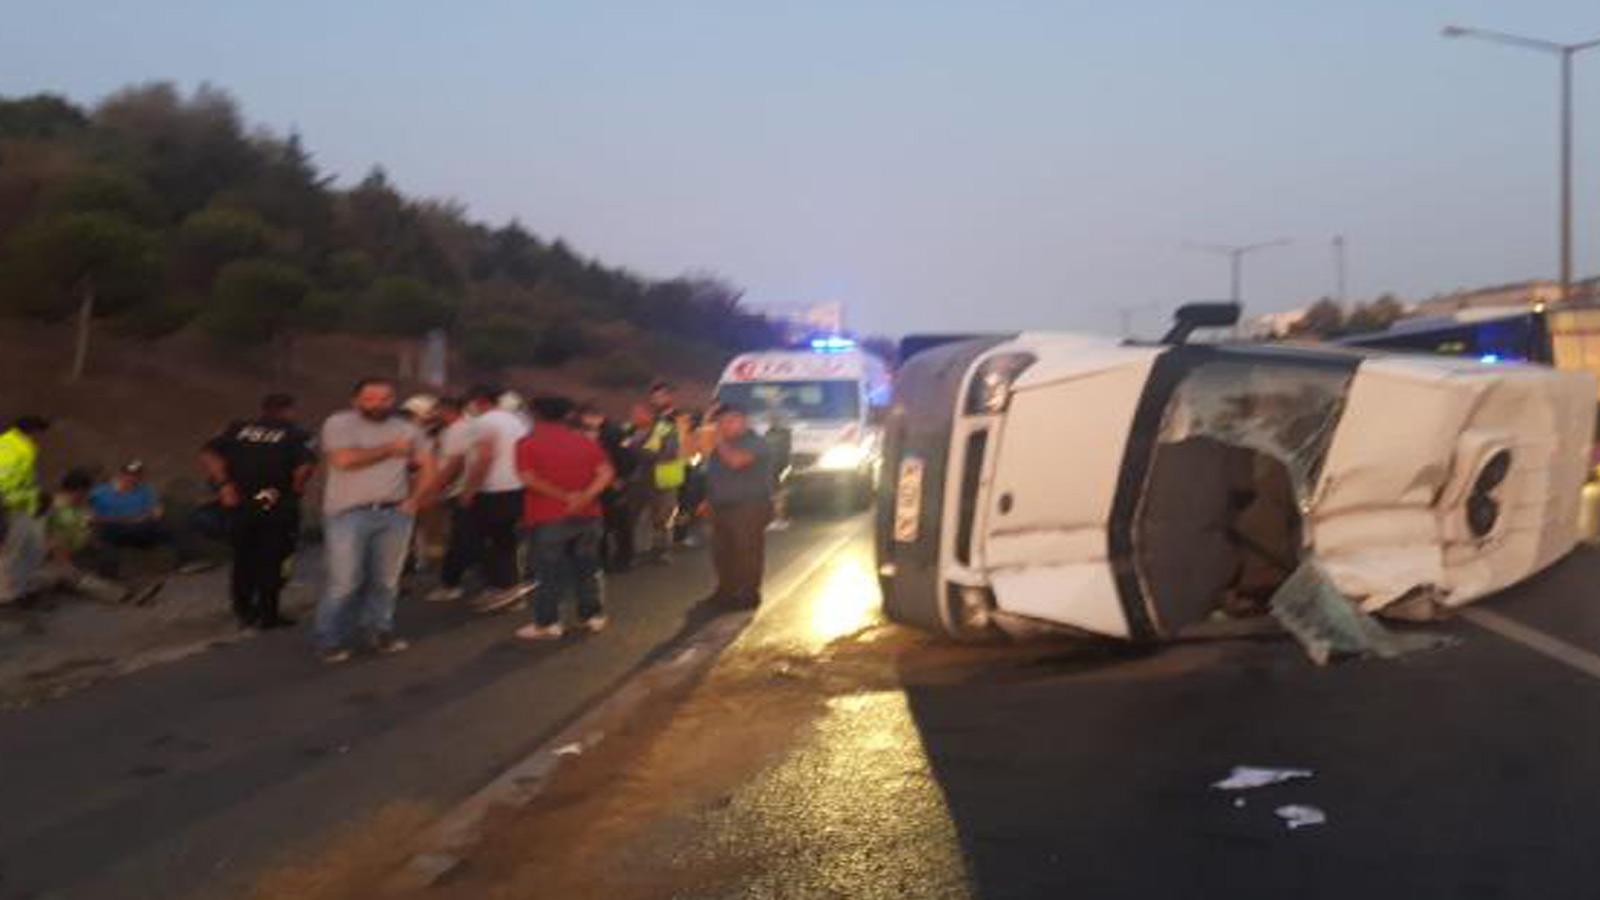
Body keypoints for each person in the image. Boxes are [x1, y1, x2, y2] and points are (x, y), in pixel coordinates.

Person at [314, 377, 436, 663]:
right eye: (370, 399)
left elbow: (429, 466)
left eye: (384, 398)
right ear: (355, 400)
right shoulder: (339, 424)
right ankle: (329, 638)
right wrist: (390, 449)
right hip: (348, 514)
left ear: (393, 400)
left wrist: (415, 499)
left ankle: (379, 630)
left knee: (386, 581)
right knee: (345, 581)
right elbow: (342, 461)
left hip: (395, 513)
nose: (378, 404)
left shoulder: (407, 428)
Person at [201, 393, 317, 629]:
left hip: (240, 500)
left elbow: (208, 452)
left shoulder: (237, 428)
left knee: (244, 557)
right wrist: (295, 491)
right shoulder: (297, 434)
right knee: (274, 557)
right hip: (276, 501)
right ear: (289, 411)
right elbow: (304, 467)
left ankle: (244, 610)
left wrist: (224, 484)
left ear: (263, 410)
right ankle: (268, 612)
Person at [514, 396, 614, 640]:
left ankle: (548, 623)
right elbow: (606, 472)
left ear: (536, 414)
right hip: (588, 515)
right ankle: (593, 616)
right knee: (587, 567)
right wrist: (584, 497)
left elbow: (528, 478)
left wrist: (564, 496)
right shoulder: (585, 442)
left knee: (549, 571)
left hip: (548, 516)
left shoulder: (527, 443)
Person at [460, 384, 533, 611]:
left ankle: (501, 588)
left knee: (483, 541)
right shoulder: (516, 421)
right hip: (516, 486)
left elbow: (484, 457)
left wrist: (469, 490)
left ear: (479, 401)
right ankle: (511, 589)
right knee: (507, 541)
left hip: (492, 490)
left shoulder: (484, 422)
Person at [703, 403, 774, 609]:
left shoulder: (756, 442)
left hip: (749, 506)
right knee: (722, 552)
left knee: (747, 551)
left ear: (743, 421)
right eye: (721, 422)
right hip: (721, 505)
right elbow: (711, 472)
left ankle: (748, 594)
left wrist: (717, 438)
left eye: (728, 421)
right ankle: (726, 591)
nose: (723, 426)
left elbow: (736, 461)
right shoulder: (720, 444)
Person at [89, 461, 208, 575]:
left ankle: (188, 560)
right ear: (121, 474)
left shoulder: (145, 489)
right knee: (106, 534)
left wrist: (145, 517)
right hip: (114, 526)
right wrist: (121, 519)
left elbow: (157, 512)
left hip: (141, 526)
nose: (132, 478)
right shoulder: (101, 491)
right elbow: (91, 514)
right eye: (129, 474)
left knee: (170, 526)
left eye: (137, 475)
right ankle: (109, 573)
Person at [422, 396, 481, 603]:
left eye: (435, 410)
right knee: (466, 537)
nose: (433, 415)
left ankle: (450, 584)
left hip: (458, 491)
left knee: (459, 538)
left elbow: (455, 464)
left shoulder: (457, 431)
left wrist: (436, 489)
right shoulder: (465, 428)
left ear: (446, 410)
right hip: (467, 490)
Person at [577, 402, 638, 572]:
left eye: (588, 417)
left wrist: (621, 478)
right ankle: (602, 559)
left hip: (614, 485)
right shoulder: (586, 432)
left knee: (620, 523)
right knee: (601, 524)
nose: (585, 421)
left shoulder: (615, 432)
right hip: (597, 484)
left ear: (598, 416)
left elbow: (629, 457)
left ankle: (624, 559)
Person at [638, 392, 687, 564]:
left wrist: (642, 450)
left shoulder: (666, 425)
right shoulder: (662, 426)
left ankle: (662, 550)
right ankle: (658, 549)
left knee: (664, 515)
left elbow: (658, 451)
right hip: (661, 474)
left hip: (666, 474)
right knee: (657, 515)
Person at [0, 415, 50, 516]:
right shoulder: (17, 448)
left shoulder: (9, 443)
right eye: (42, 434)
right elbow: (5, 478)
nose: (43, 440)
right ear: (34, 431)